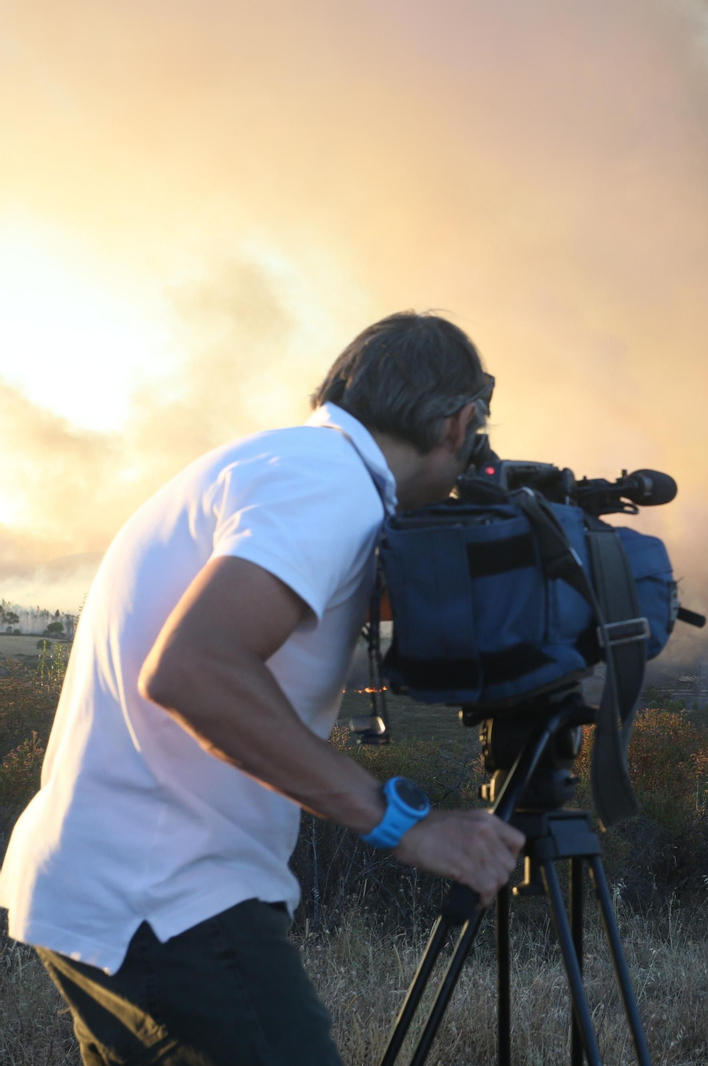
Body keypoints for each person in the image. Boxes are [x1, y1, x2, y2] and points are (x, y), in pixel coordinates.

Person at [0, 312, 526, 1065]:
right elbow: (195, 670)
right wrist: (402, 825)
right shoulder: (327, 484)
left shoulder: (283, 465)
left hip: (111, 882)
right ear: (460, 424)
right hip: (171, 896)